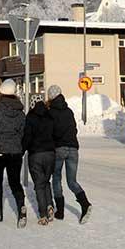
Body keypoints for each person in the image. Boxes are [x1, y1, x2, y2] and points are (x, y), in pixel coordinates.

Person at [0, 78, 27, 228]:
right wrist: (19, 147)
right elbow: (23, 132)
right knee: (15, 182)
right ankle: (21, 207)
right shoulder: (21, 112)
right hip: (15, 152)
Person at [47, 85, 91, 224]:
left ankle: (60, 211)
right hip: (73, 148)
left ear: (50, 98)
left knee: (56, 178)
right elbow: (74, 130)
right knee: (72, 181)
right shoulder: (69, 111)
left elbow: (50, 132)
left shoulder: (51, 113)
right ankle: (85, 204)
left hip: (59, 149)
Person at [22, 92, 56, 225]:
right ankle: (50, 205)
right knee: (46, 181)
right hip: (50, 154)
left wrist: (22, 150)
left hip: (35, 154)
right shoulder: (50, 116)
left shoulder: (30, 117)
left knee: (39, 185)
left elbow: (27, 137)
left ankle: (43, 215)